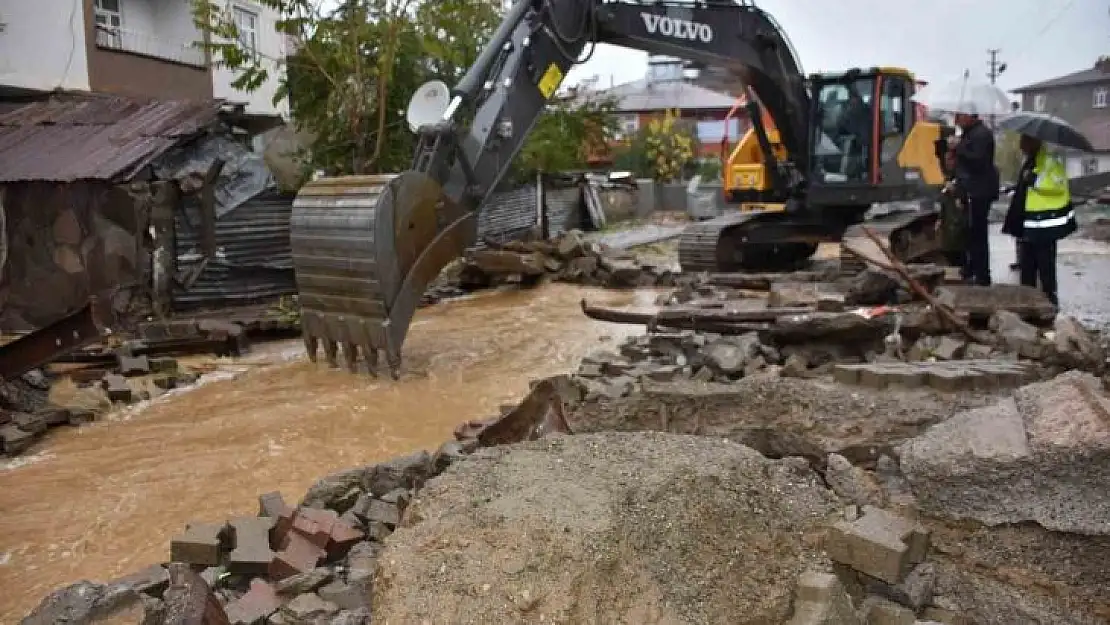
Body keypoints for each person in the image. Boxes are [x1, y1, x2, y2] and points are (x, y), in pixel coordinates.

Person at [1009, 133, 1075, 307]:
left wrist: (1034, 180)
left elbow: (1057, 186)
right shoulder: (1030, 161)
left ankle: (1049, 302)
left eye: (1023, 141)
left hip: (1045, 223)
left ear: (1033, 142)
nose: (1020, 145)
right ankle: (1027, 301)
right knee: (1027, 265)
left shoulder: (1049, 162)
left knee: (1045, 265)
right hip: (1030, 223)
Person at [947, 112, 1000, 285]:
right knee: (969, 232)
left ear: (971, 116)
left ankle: (982, 274)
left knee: (978, 232)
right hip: (970, 188)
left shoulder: (982, 134)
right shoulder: (970, 133)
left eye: (960, 116)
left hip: (979, 190)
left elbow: (978, 161)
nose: (957, 120)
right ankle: (971, 267)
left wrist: (959, 147)